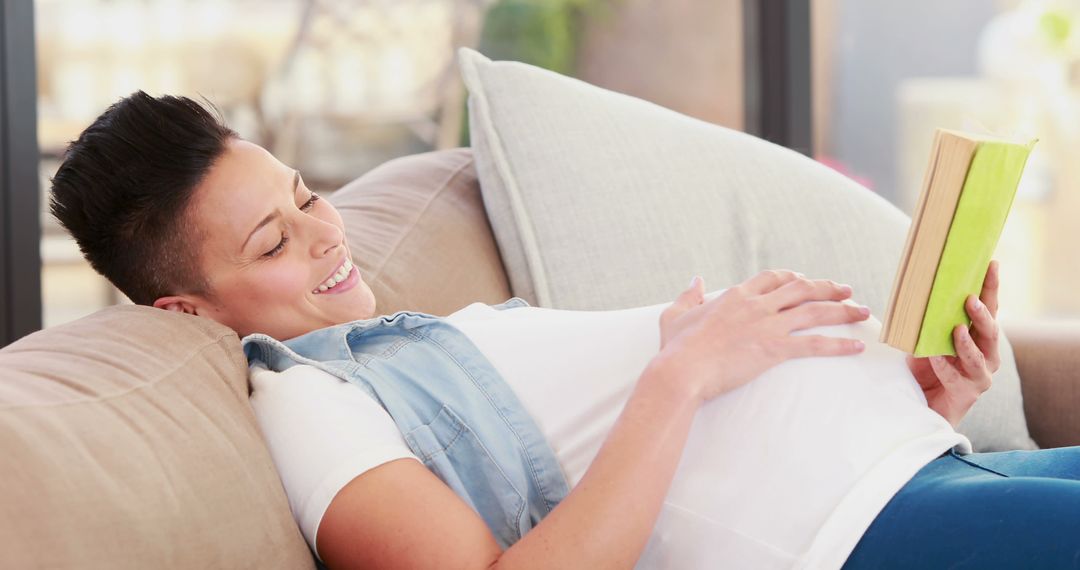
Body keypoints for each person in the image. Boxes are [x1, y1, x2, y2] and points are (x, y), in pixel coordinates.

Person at [49, 92, 1080, 569]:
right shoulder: (308, 401)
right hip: (846, 533)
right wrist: (683, 374)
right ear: (186, 308)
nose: (325, 236)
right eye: (274, 240)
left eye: (307, 195)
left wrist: (925, 389)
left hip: (926, 463)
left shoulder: (415, 339)